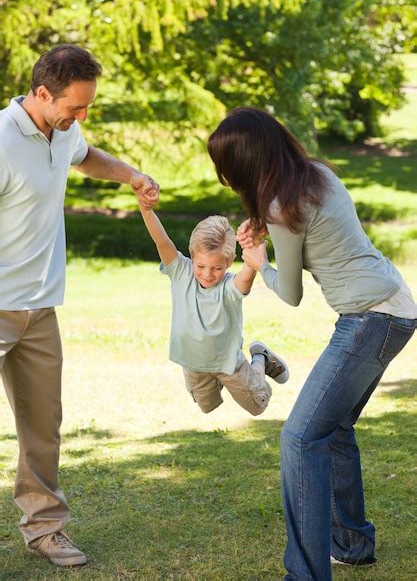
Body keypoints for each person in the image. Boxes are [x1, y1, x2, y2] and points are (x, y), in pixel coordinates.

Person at [207, 107, 416, 581]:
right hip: (395, 305)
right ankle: (353, 544)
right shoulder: (316, 176)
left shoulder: (284, 207)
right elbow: (319, 238)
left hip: (370, 319)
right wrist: (266, 235)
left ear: (245, 164)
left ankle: (305, 573)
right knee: (334, 429)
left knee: (300, 437)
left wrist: (259, 261)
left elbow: (292, 294)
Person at [0, 44, 159, 567]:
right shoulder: (2, 140)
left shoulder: (62, 132)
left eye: (87, 107)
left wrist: (131, 174)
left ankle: (45, 528)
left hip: (40, 308)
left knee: (43, 426)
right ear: (42, 93)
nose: (82, 117)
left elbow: (86, 157)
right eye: (75, 106)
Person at [136, 195, 289, 416]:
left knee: (258, 405)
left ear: (228, 262)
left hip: (227, 362)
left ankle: (260, 358)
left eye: (216, 268)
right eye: (201, 266)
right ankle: (226, 382)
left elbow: (245, 279)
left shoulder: (228, 286)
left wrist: (254, 248)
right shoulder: (181, 272)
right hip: (193, 362)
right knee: (207, 407)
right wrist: (147, 211)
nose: (207, 274)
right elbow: (162, 242)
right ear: (191, 256)